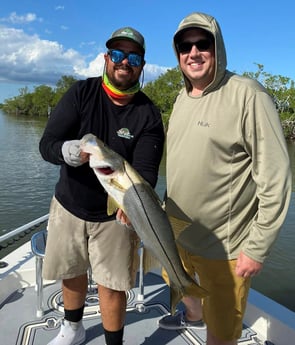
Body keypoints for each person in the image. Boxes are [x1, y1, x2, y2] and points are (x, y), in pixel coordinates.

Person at [158, 12, 292, 345]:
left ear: (217, 47)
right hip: (176, 236)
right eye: (184, 46)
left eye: (202, 43)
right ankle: (192, 314)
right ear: (177, 54)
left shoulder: (248, 95)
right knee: (175, 283)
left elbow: (276, 180)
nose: (193, 52)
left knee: (221, 332)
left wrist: (256, 249)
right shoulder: (180, 98)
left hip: (225, 249)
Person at [39, 27, 165, 345]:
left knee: (112, 285)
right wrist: (65, 152)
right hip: (69, 205)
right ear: (107, 58)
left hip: (116, 215)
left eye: (133, 57)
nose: (125, 62)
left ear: (142, 65)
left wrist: (132, 207)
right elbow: (48, 143)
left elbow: (147, 174)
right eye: (118, 54)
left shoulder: (148, 115)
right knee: (72, 270)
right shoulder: (82, 93)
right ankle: (73, 328)